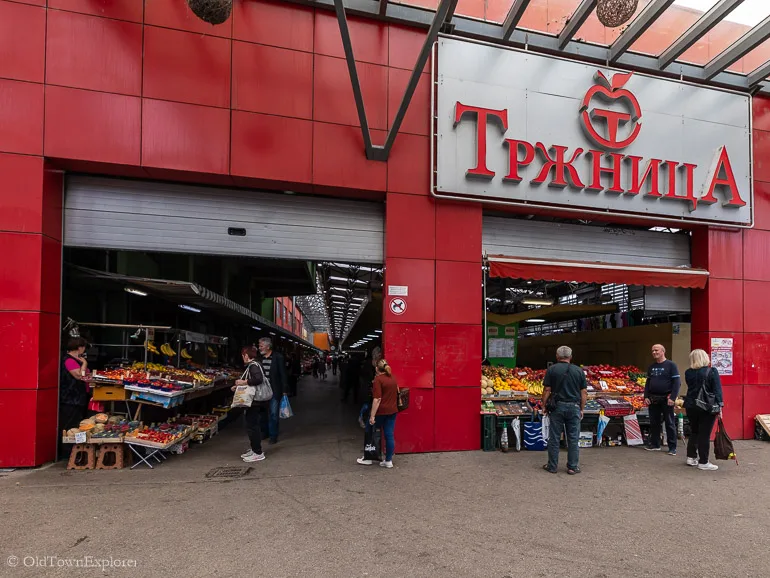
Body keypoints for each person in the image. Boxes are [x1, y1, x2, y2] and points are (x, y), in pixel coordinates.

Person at [541, 346, 587, 475]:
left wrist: (544, 405)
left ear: (557, 356)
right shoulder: (579, 371)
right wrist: (582, 408)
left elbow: (547, 390)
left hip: (557, 407)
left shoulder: (552, 370)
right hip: (574, 407)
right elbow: (583, 392)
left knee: (554, 437)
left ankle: (552, 466)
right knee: (573, 438)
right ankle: (572, 467)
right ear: (571, 357)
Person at [684, 349, 724, 471]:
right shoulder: (712, 371)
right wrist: (720, 406)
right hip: (706, 406)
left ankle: (691, 457)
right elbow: (717, 390)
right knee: (704, 434)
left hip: (691, 405)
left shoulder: (688, 372)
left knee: (694, 431)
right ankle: (703, 461)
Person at [360, 359, 399, 468]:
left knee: (369, 432)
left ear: (377, 368)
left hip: (380, 412)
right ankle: (388, 461)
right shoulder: (392, 378)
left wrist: (372, 416)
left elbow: (377, 399)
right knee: (389, 435)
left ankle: (368, 458)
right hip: (392, 411)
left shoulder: (378, 380)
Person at [644, 344, 681, 455]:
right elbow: (648, 383)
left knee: (669, 423)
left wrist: (673, 398)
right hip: (653, 398)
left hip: (667, 398)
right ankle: (655, 444)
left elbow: (677, 383)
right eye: (652, 351)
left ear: (663, 351)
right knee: (654, 422)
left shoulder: (671, 365)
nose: (654, 352)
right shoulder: (651, 367)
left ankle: (672, 447)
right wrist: (646, 396)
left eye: (656, 350)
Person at [235, 346, 267, 463]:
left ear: (247, 355)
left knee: (252, 426)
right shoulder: (256, 364)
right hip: (256, 401)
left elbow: (258, 379)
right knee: (252, 425)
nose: (242, 357)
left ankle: (258, 452)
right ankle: (254, 449)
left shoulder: (253, 365)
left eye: (243, 355)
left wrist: (243, 381)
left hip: (254, 402)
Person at [59, 337, 90, 457]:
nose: (84, 350)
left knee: (78, 425)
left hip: (79, 398)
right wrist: (85, 364)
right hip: (71, 399)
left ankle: (77, 453)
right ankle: (69, 454)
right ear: (79, 348)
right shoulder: (69, 360)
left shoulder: (77, 360)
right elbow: (79, 376)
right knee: (70, 427)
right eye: (83, 347)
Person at [258, 337, 287, 444]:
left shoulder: (278, 357)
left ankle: (273, 435)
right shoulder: (259, 358)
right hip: (262, 391)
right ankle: (264, 432)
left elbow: (283, 374)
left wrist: (284, 390)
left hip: (274, 390)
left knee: (273, 413)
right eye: (259, 345)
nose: (259, 348)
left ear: (268, 346)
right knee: (262, 413)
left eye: (261, 346)